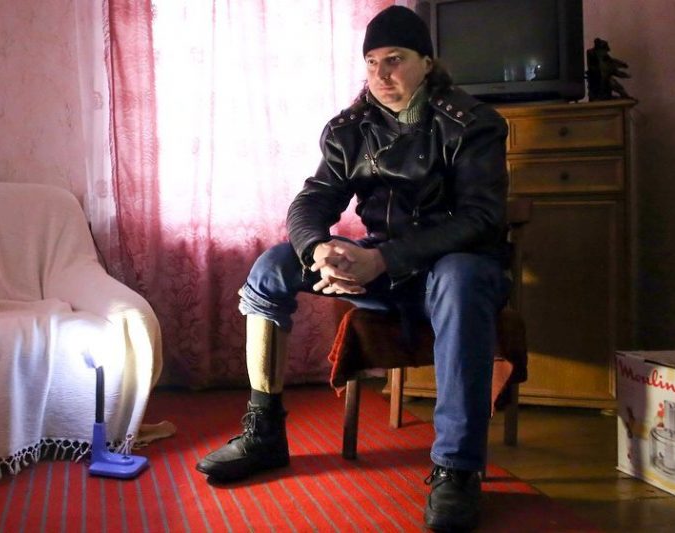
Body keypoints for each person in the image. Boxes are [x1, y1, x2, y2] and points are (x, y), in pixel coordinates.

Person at [195, 5, 510, 531]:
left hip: (454, 272)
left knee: (459, 275)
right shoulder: (350, 128)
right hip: (380, 268)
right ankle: (264, 432)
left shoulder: (473, 123)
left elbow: (481, 219)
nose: (381, 75)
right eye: (371, 62)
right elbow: (312, 200)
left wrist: (382, 258)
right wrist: (318, 248)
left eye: (395, 59)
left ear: (427, 62)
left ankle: (457, 468)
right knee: (273, 266)